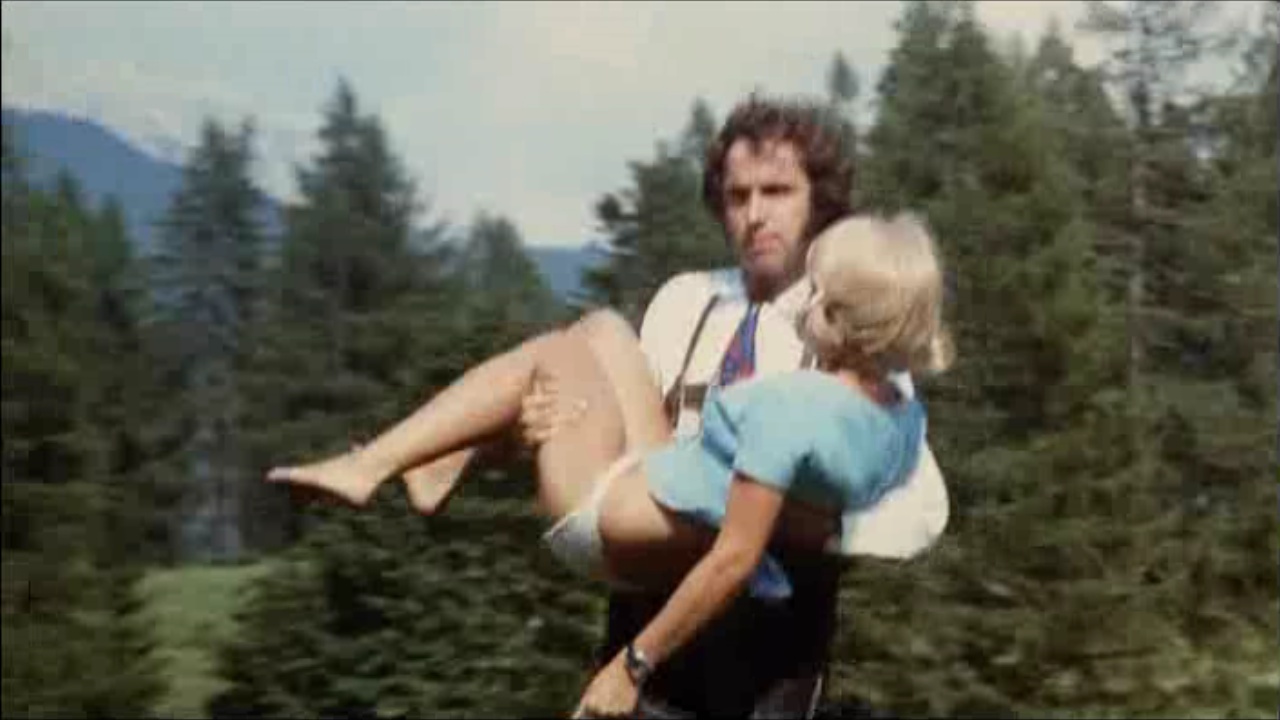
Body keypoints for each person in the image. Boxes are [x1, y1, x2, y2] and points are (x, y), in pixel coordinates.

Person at [266, 213, 954, 718]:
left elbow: (732, 560)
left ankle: (371, 465)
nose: (796, 299)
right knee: (603, 331)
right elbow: (823, 511)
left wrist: (631, 667)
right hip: (670, 485)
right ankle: (442, 461)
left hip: (606, 518)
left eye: (812, 290)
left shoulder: (786, 411)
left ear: (838, 319)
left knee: (552, 354)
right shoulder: (898, 416)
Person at [398, 94, 952, 718]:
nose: (754, 215)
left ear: (818, 200)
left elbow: (920, 511)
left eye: (776, 192)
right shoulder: (684, 301)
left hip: (774, 630)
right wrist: (529, 434)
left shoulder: (854, 320)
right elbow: (618, 450)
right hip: (651, 606)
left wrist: (790, 520)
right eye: (737, 196)